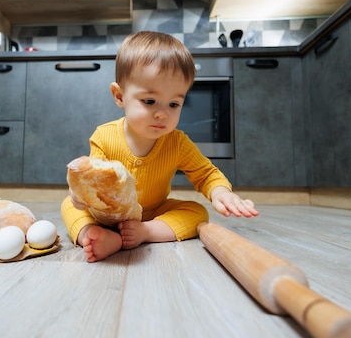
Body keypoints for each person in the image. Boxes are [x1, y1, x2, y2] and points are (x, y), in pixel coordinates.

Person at [61, 31, 258, 262]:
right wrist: (81, 197)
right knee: (69, 205)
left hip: (153, 213)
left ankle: (146, 233)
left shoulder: (177, 142)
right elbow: (93, 181)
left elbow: (205, 174)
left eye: (174, 104)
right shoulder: (103, 137)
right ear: (119, 96)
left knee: (197, 212)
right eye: (149, 101)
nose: (162, 114)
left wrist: (221, 192)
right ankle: (92, 235)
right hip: (105, 214)